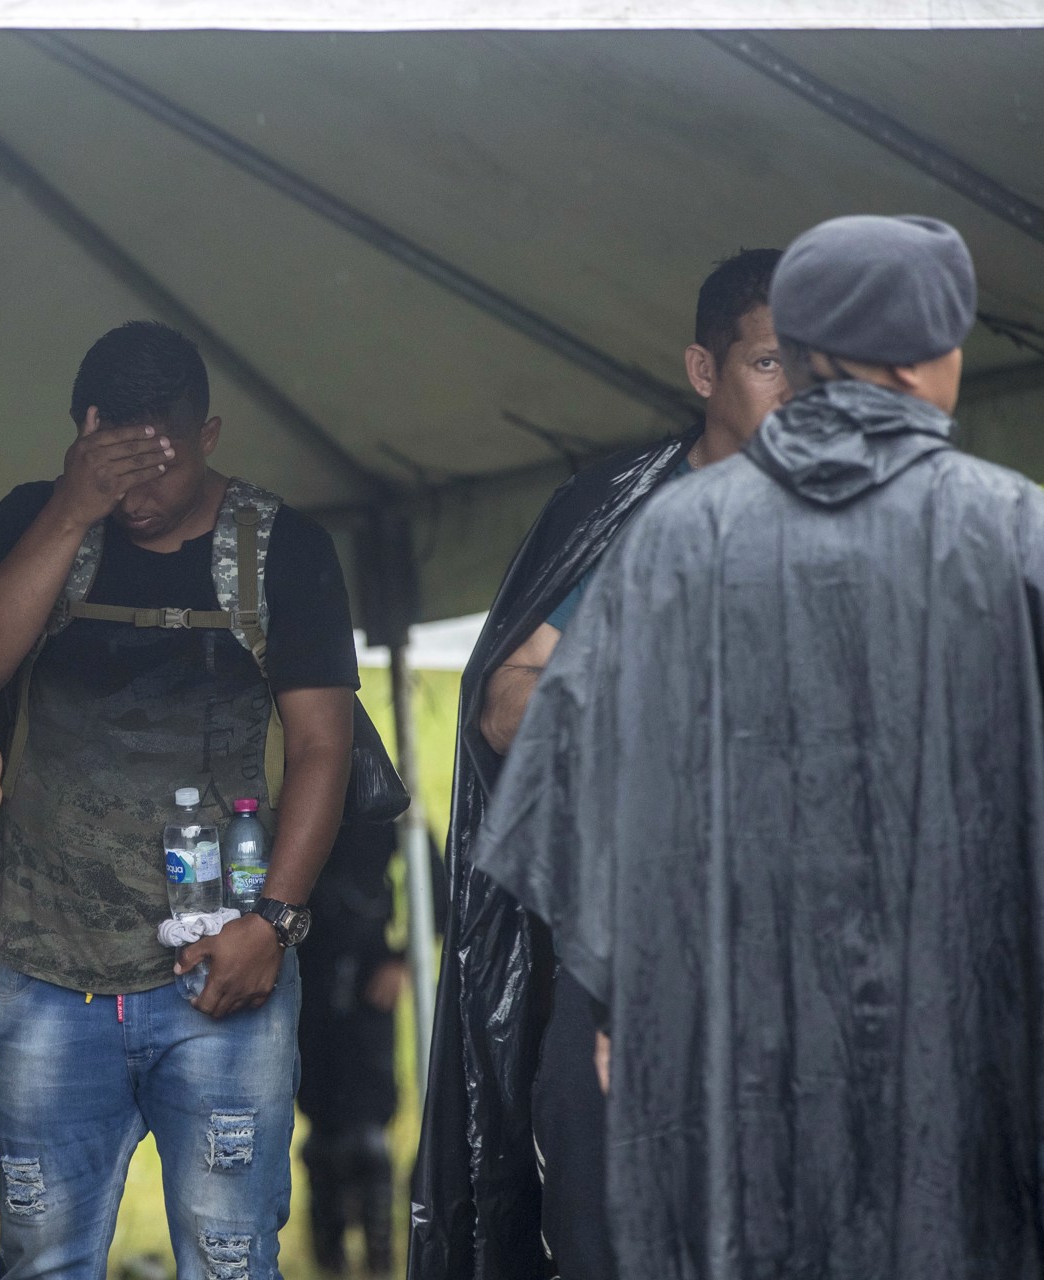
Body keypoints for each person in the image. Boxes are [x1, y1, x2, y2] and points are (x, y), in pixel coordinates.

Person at [476, 214, 1043, 1279]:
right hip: (949, 1032)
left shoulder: (678, 534)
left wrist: (621, 998)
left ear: (815, 352)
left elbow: (570, 786)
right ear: (927, 361)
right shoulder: (1015, 529)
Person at [0, 320, 357, 1280]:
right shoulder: (36, 519)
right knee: (41, 1260)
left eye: (159, 466)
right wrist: (70, 509)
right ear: (82, 435)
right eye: (113, 465)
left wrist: (273, 923)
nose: (135, 495)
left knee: (229, 1259)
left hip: (227, 963)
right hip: (52, 970)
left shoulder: (282, 546)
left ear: (207, 435)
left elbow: (323, 746)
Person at [410, 247, 788, 1280]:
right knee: (609, 1234)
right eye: (769, 363)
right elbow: (502, 706)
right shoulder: (626, 519)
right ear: (704, 370)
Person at [296, 819, 405, 1278]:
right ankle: (330, 1256)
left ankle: (380, 1256)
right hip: (308, 978)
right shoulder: (292, 801)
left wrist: (402, 960)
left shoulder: (385, 810)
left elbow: (437, 888)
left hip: (369, 982)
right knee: (323, 1129)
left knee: (369, 1136)